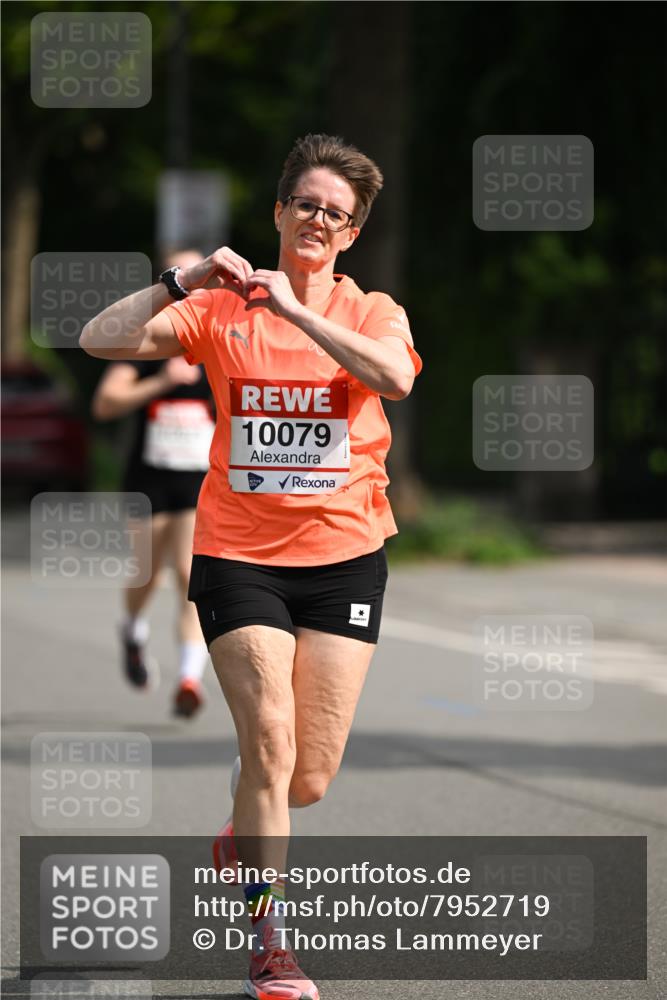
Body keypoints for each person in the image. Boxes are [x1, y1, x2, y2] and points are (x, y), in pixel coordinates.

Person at [81, 133, 422, 1000]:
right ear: (278, 212)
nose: (317, 220)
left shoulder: (372, 309)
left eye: (335, 214)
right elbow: (97, 339)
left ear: (351, 234)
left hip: (345, 555)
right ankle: (270, 947)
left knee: (306, 778)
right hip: (239, 553)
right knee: (268, 741)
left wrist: (298, 311)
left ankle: (243, 829)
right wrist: (184, 279)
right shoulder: (220, 309)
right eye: (305, 203)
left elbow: (394, 379)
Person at [91, 249, 214, 719]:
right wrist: (162, 382)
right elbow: (105, 403)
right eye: (183, 280)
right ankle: (131, 627)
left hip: (198, 481)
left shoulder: (216, 343)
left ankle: (188, 678)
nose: (191, 290)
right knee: (148, 572)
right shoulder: (147, 344)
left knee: (187, 574)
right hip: (148, 480)